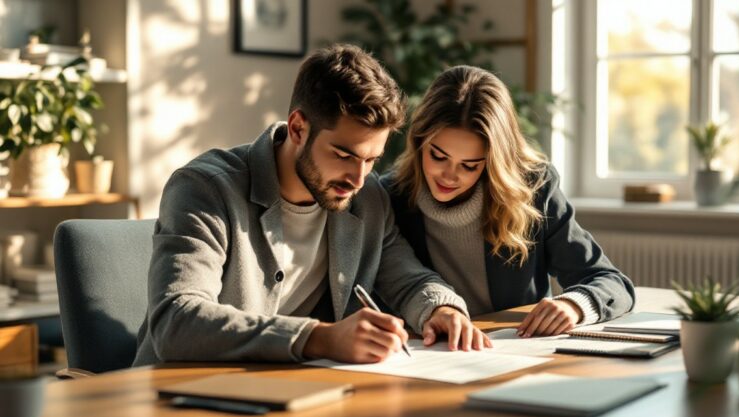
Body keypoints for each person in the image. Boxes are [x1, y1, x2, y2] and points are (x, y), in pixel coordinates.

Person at [133, 46, 491, 367]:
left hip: (287, 396)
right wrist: (318, 337)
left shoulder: (367, 201)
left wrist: (441, 308)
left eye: (372, 160)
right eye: (344, 154)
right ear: (298, 128)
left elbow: (408, 280)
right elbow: (175, 321)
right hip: (182, 397)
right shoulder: (205, 190)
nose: (358, 178)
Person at [382, 65, 634, 343]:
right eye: (438, 156)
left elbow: (612, 282)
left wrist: (574, 305)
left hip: (515, 351)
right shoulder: (389, 196)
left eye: (469, 165)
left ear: (493, 160)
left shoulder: (533, 188)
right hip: (429, 355)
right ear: (419, 143)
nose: (450, 176)